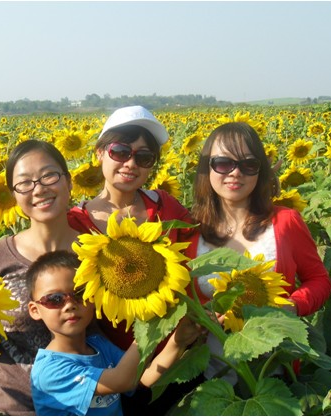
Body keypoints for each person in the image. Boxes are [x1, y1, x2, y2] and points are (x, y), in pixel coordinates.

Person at [67, 105, 201, 414]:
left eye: (144, 158)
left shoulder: (165, 206)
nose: (131, 164)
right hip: (112, 366)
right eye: (120, 151)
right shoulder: (75, 220)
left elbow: (205, 241)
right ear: (100, 153)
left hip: (179, 355)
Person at [189, 121, 331, 380]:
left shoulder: (285, 221)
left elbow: (319, 280)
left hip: (275, 370)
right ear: (206, 169)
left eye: (248, 165)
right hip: (209, 374)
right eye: (223, 163)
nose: (235, 173)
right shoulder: (190, 231)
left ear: (260, 171)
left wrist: (292, 306)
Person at [0, 139, 80, 415]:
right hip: (15, 405)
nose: (39, 189)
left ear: (68, 182)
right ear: (14, 194)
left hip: (88, 401)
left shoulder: (95, 251)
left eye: (49, 175)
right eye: (25, 183)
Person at [27, 250, 200, 416]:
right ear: (35, 310)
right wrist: (149, 324)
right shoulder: (50, 372)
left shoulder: (98, 345)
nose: (70, 304)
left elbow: (141, 377)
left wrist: (178, 342)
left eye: (80, 293)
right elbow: (122, 380)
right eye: (54, 299)